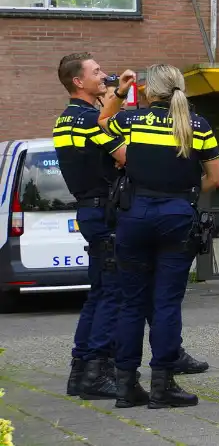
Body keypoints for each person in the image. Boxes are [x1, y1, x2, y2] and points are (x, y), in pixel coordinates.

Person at [96, 64, 219, 409]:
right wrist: (188, 194)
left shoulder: (133, 121)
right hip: (177, 217)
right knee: (166, 302)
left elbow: (104, 121)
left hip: (134, 216)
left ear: (149, 91)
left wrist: (120, 92)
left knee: (132, 302)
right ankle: (163, 385)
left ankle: (125, 386)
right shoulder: (197, 126)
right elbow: (215, 178)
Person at [54, 54, 127, 400]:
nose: (103, 75)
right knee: (112, 293)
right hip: (105, 211)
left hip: (88, 209)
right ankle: (99, 371)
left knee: (98, 292)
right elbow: (125, 156)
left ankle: (80, 369)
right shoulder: (89, 120)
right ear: (78, 82)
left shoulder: (64, 120)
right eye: (96, 72)